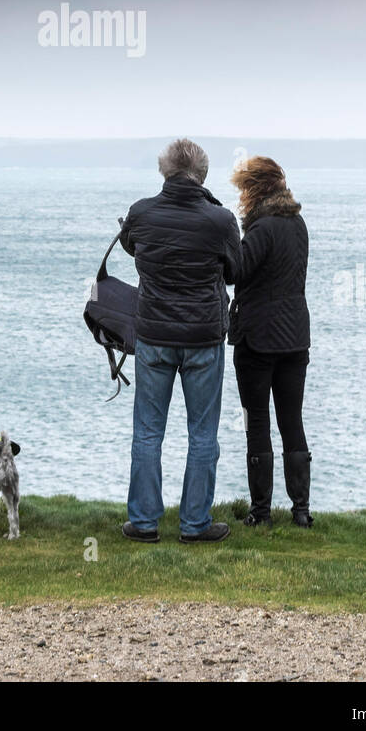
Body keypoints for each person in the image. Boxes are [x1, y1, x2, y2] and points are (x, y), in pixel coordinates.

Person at [118, 139, 242, 543]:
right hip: (203, 338)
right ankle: (194, 525)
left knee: (148, 432)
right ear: (202, 175)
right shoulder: (220, 219)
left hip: (153, 335)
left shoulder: (141, 212)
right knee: (203, 434)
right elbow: (234, 272)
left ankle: (143, 522)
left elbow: (131, 246)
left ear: (164, 172)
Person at [229, 157, 313, 527]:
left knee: (258, 423)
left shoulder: (261, 229)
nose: (242, 197)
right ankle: (301, 512)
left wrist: (225, 242)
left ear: (256, 189)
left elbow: (236, 271)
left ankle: (260, 513)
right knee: (292, 421)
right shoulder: (298, 225)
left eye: (244, 189)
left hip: (258, 339)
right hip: (295, 339)